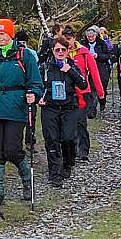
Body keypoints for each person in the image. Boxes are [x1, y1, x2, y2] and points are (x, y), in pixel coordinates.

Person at [0, 17, 42, 205]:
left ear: (10, 34)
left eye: (2, 33)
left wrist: (33, 94)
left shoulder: (24, 55)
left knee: (12, 149)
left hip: (16, 106)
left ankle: (28, 183)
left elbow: (36, 82)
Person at [37, 36, 85, 187]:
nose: (60, 52)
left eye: (63, 49)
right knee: (51, 139)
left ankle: (68, 163)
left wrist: (70, 71)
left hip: (69, 107)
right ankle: (54, 173)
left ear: (67, 51)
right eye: (57, 49)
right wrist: (39, 97)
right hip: (50, 108)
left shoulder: (72, 66)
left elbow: (83, 84)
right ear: (52, 51)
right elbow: (36, 85)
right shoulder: (45, 68)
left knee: (68, 138)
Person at [62, 25, 104, 162]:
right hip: (66, 93)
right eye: (65, 39)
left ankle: (83, 150)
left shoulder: (84, 52)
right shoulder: (60, 52)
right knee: (68, 124)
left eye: (69, 39)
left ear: (74, 38)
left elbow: (94, 72)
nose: (67, 42)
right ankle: (71, 150)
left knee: (81, 123)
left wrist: (100, 92)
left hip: (82, 92)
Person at [82, 26, 112, 117]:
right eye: (89, 37)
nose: (90, 38)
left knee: (102, 86)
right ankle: (92, 109)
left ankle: (102, 101)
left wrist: (97, 56)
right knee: (91, 89)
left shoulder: (101, 43)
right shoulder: (83, 44)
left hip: (101, 67)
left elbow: (107, 56)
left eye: (92, 36)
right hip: (88, 69)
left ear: (96, 36)